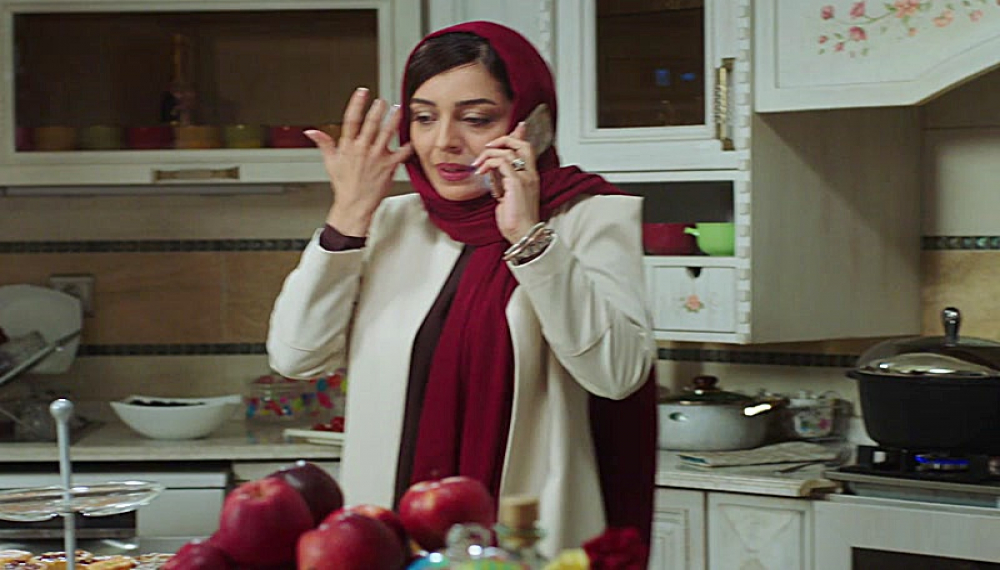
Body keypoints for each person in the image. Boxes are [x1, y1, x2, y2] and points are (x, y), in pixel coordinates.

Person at [267, 21, 658, 558]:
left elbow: (616, 375)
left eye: (476, 119)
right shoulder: (389, 223)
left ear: (532, 124)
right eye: (424, 117)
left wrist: (528, 236)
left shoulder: (589, 218)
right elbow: (296, 356)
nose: (444, 142)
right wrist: (348, 216)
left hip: (526, 547)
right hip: (386, 545)